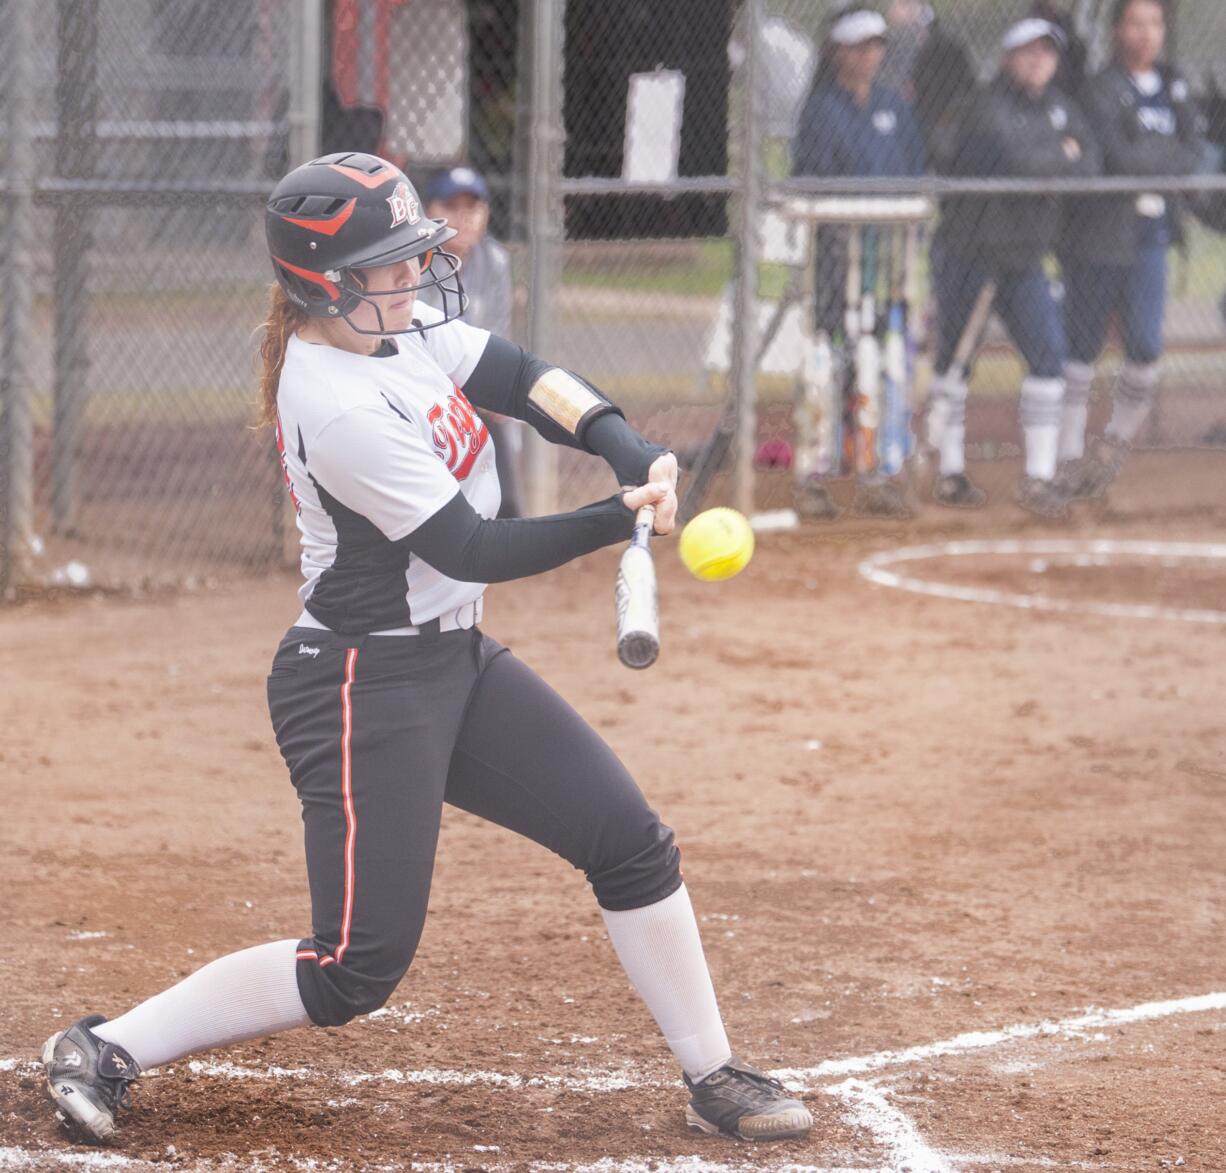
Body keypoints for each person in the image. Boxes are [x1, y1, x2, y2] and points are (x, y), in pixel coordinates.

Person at [39, 153, 813, 1147]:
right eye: (386, 265)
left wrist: (621, 442)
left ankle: (714, 1074)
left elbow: (526, 378)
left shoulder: (393, 333)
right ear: (322, 283)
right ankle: (105, 1049)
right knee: (355, 965)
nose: (412, 279)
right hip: (361, 684)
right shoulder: (333, 400)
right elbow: (467, 545)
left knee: (626, 841)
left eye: (410, 258)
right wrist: (610, 517)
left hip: (451, 662)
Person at [927, 18, 1100, 518]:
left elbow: (1090, 163)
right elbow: (1015, 159)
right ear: (1008, 57)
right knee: (955, 362)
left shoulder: (1061, 106)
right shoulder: (985, 104)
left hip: (1024, 256)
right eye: (1027, 52)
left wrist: (1058, 155)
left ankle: (1040, 478)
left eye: (1046, 53)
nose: (1037, 60)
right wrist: (1060, 151)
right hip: (970, 253)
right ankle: (950, 471)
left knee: (1048, 358)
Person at [1057, 0, 1204, 500]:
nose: (1145, 34)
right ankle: (1068, 457)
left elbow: (1190, 153)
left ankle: (1111, 448)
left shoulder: (1173, 86)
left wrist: (1153, 159)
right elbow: (1119, 156)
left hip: (1151, 238)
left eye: (1154, 24)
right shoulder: (1102, 89)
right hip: (1101, 238)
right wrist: (1158, 161)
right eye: (1135, 23)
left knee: (1144, 348)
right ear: (1118, 30)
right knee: (1081, 349)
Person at [792, 7, 926, 519]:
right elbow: (814, 176)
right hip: (834, 261)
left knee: (883, 360)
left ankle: (876, 471)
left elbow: (913, 171)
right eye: (859, 45)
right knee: (827, 359)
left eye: (876, 46)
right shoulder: (822, 109)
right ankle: (814, 474)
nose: (870, 55)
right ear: (838, 52)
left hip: (885, 262)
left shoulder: (895, 106)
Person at [417, 164, 526, 519]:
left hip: (473, 382)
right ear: (429, 212)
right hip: (426, 384)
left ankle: (504, 513)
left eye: (472, 207)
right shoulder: (414, 262)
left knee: (506, 406)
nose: (463, 218)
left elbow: (496, 332)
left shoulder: (494, 260)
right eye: (451, 207)